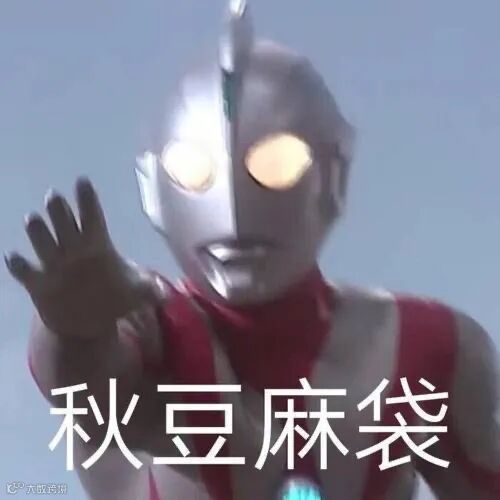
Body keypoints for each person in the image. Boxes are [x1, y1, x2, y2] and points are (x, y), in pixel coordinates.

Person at [5, 1, 500, 499]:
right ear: (155, 188)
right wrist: (74, 331)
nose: (234, 209)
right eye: (194, 171)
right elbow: (91, 391)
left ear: (333, 175)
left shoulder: (429, 348)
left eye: (277, 164)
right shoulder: (151, 326)